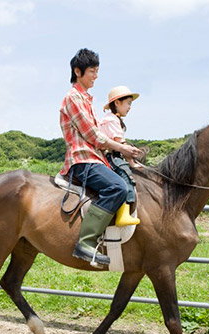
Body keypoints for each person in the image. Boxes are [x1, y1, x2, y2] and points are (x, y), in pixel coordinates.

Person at [59, 49, 141, 266]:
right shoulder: (72, 98)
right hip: (83, 160)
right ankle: (85, 243)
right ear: (78, 71)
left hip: (96, 158)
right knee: (117, 188)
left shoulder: (86, 100)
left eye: (97, 71)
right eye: (92, 71)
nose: (96, 76)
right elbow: (94, 136)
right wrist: (122, 150)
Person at [100, 85, 141, 168]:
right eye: (129, 103)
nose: (130, 107)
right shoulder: (111, 120)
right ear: (117, 103)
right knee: (126, 176)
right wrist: (132, 163)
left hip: (109, 155)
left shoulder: (112, 118)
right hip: (108, 157)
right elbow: (121, 144)